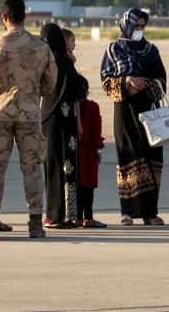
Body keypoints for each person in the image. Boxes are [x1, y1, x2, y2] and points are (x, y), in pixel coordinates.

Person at [0, 0, 57, 238]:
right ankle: (35, 223)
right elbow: (50, 83)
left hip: (0, 114)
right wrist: (30, 95)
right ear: (25, 17)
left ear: (4, 17)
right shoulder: (41, 46)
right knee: (32, 169)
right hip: (29, 114)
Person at [101, 8, 169, 226]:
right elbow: (106, 80)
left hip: (150, 110)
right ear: (126, 25)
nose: (139, 29)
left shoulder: (151, 50)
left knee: (152, 158)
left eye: (142, 26)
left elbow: (162, 81)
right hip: (125, 111)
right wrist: (127, 82)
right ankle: (127, 212)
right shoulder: (114, 49)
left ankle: (150, 213)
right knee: (128, 159)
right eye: (136, 25)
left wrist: (146, 84)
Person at [40, 23, 86, 229]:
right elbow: (79, 88)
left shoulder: (48, 60)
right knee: (69, 167)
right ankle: (69, 214)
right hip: (67, 123)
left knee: (54, 167)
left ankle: (54, 215)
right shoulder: (66, 62)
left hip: (51, 121)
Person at [68, 29, 106, 228]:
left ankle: (76, 217)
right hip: (89, 153)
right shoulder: (92, 107)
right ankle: (88, 217)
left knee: (75, 186)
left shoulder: (68, 108)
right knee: (88, 188)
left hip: (74, 153)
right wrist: (99, 148)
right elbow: (97, 131)